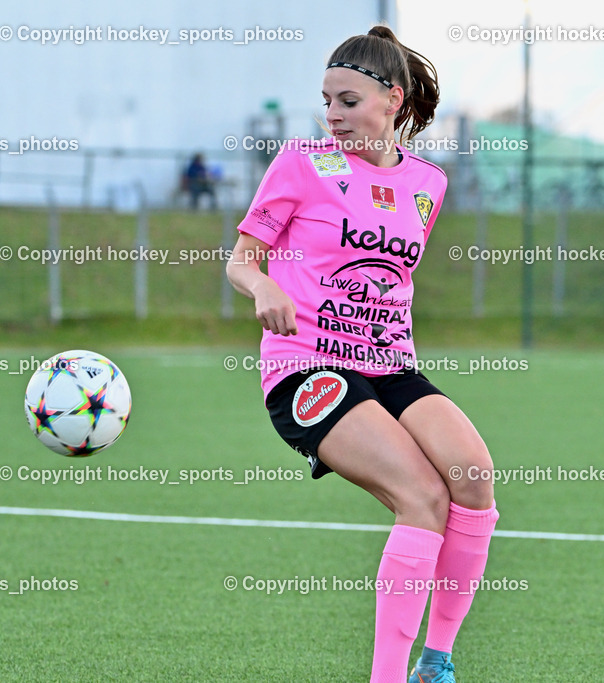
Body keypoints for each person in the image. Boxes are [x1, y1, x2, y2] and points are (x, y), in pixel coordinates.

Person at [226, 27, 498, 683]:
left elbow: (392, 278)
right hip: (308, 365)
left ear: (392, 100)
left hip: (391, 364)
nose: (333, 114)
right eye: (327, 100)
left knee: (473, 475)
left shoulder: (429, 183)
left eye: (347, 100)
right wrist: (262, 285)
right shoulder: (300, 163)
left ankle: (435, 661)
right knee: (422, 495)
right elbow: (242, 259)